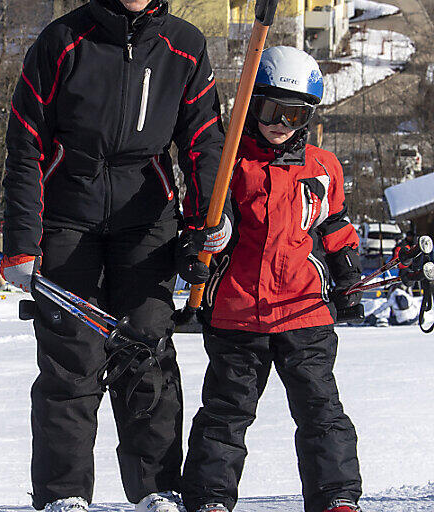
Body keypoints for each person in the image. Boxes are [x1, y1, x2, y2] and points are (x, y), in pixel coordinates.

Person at [1, 0, 227, 509]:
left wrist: (206, 221)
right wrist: (21, 241)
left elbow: (204, 143)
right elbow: (24, 145)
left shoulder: (184, 46)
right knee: (70, 359)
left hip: (146, 220)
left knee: (146, 350)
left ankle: (157, 491)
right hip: (66, 216)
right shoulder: (62, 41)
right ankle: (63, 496)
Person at [182, 47, 363, 512]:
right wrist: (194, 254)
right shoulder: (226, 166)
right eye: (270, 110)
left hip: (305, 313)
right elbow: (200, 224)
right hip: (237, 314)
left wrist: (347, 276)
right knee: (226, 413)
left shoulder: (323, 167)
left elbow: (334, 226)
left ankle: (336, 497)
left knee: (321, 410)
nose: (280, 122)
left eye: (294, 113)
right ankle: (210, 498)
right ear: (251, 104)